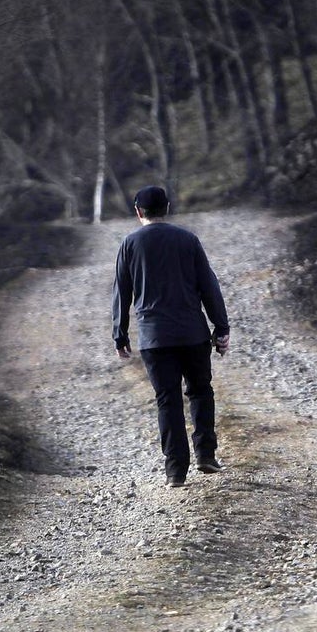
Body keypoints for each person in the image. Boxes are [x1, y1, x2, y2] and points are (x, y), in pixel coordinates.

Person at [112, 185, 230, 488]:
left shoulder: (129, 244)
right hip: (193, 333)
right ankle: (206, 455)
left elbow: (122, 292)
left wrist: (119, 334)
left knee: (168, 400)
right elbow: (209, 285)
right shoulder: (188, 240)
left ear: (138, 211)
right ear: (167, 207)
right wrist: (221, 327)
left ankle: (175, 472)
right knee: (200, 391)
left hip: (154, 338)